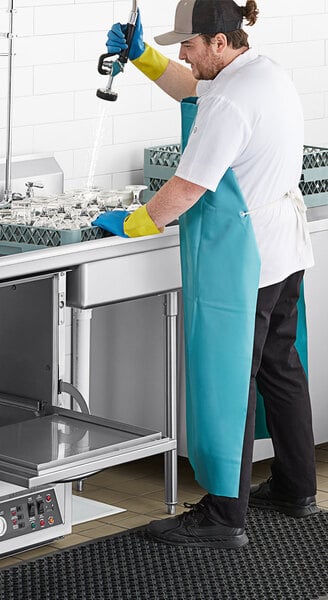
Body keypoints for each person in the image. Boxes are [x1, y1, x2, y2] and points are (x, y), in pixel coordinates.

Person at [94, 0, 319, 549]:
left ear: (219, 42)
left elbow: (187, 187)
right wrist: (143, 56)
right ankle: (294, 488)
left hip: (243, 263)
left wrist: (137, 222)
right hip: (282, 252)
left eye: (188, 45)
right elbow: (194, 87)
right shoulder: (260, 74)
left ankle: (223, 516)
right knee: (279, 368)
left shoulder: (231, 103)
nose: (184, 56)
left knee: (226, 381)